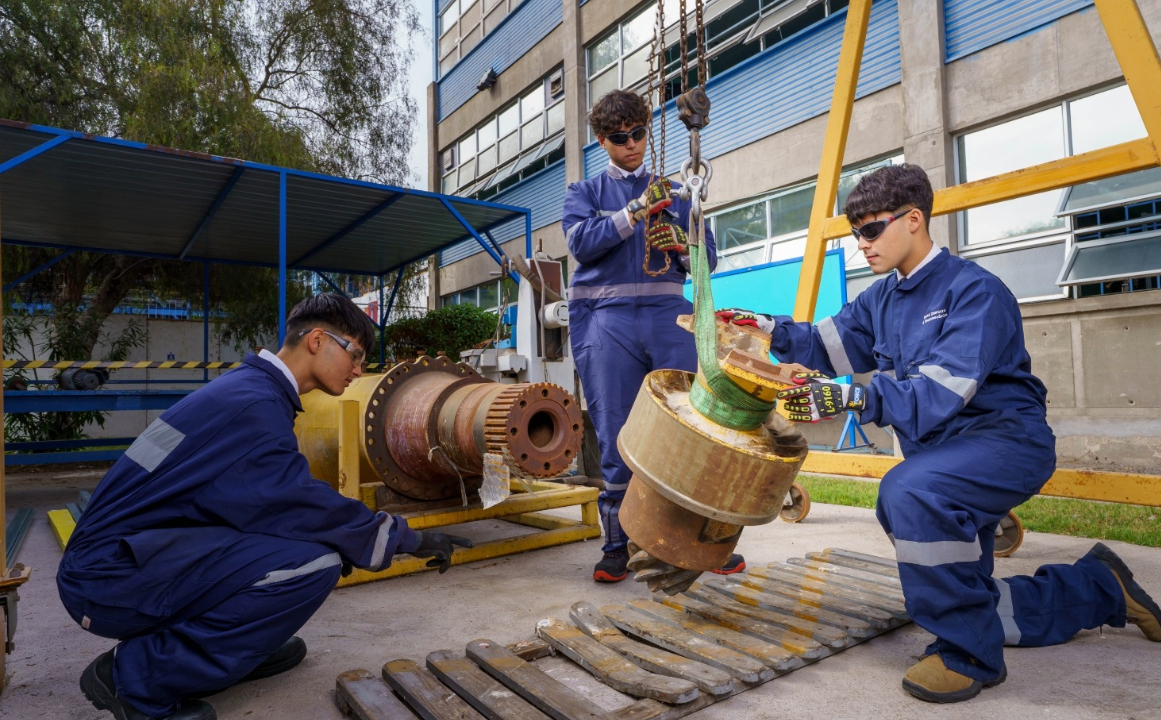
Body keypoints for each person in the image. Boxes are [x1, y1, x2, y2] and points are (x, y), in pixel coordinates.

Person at [716, 164, 1161, 703]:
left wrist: (858, 396)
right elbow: (826, 345)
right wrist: (767, 328)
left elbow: (942, 393)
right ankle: (1098, 587)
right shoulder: (883, 298)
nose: (861, 243)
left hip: (1002, 442)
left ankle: (967, 657)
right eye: (854, 232)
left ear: (913, 220)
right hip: (945, 453)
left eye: (871, 229)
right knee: (969, 592)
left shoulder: (974, 291)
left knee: (908, 491)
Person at [58, 294, 473, 720]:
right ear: (316, 340)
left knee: (297, 544)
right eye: (355, 354)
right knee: (314, 563)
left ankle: (235, 648)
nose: (358, 370)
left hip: (128, 555)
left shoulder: (247, 390)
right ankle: (137, 678)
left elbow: (255, 503)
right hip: (108, 578)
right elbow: (298, 502)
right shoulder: (253, 406)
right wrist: (406, 537)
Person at [563, 89, 745, 582]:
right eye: (620, 138)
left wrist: (681, 245)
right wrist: (636, 213)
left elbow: (706, 256)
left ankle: (701, 540)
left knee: (693, 422)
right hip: (606, 320)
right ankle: (617, 544)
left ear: (647, 128)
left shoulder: (679, 193)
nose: (633, 145)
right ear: (603, 141)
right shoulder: (585, 194)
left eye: (639, 133)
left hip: (669, 314)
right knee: (617, 427)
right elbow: (581, 243)